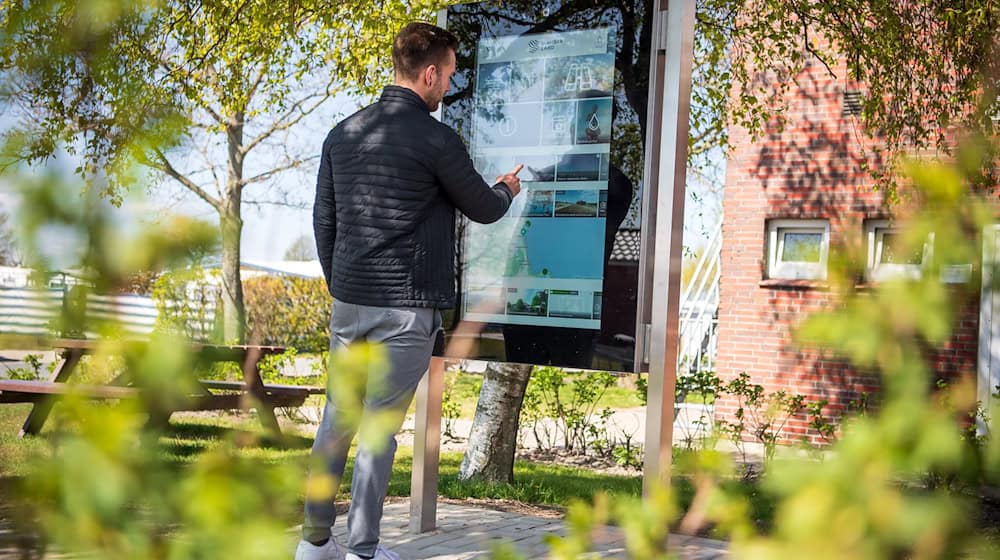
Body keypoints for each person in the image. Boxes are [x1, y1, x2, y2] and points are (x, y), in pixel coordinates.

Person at [296, 22, 523, 560]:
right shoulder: (436, 139)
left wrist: (344, 284)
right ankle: (364, 551)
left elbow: (322, 220)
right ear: (428, 74)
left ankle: (313, 545)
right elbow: (485, 208)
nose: (447, 84)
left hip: (350, 304)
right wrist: (508, 187)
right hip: (405, 310)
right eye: (447, 74)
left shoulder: (343, 133)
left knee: (336, 421)